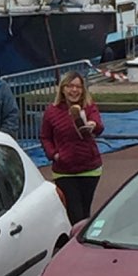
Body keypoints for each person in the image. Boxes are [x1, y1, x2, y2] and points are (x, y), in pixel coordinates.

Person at [40, 70, 104, 224]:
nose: (74, 90)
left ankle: (81, 242)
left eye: (78, 87)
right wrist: (54, 154)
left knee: (84, 210)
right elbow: (45, 137)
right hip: (64, 170)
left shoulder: (88, 107)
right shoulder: (52, 111)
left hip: (89, 167)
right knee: (74, 212)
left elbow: (99, 125)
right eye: (70, 86)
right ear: (63, 88)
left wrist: (92, 125)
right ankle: (77, 242)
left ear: (83, 90)